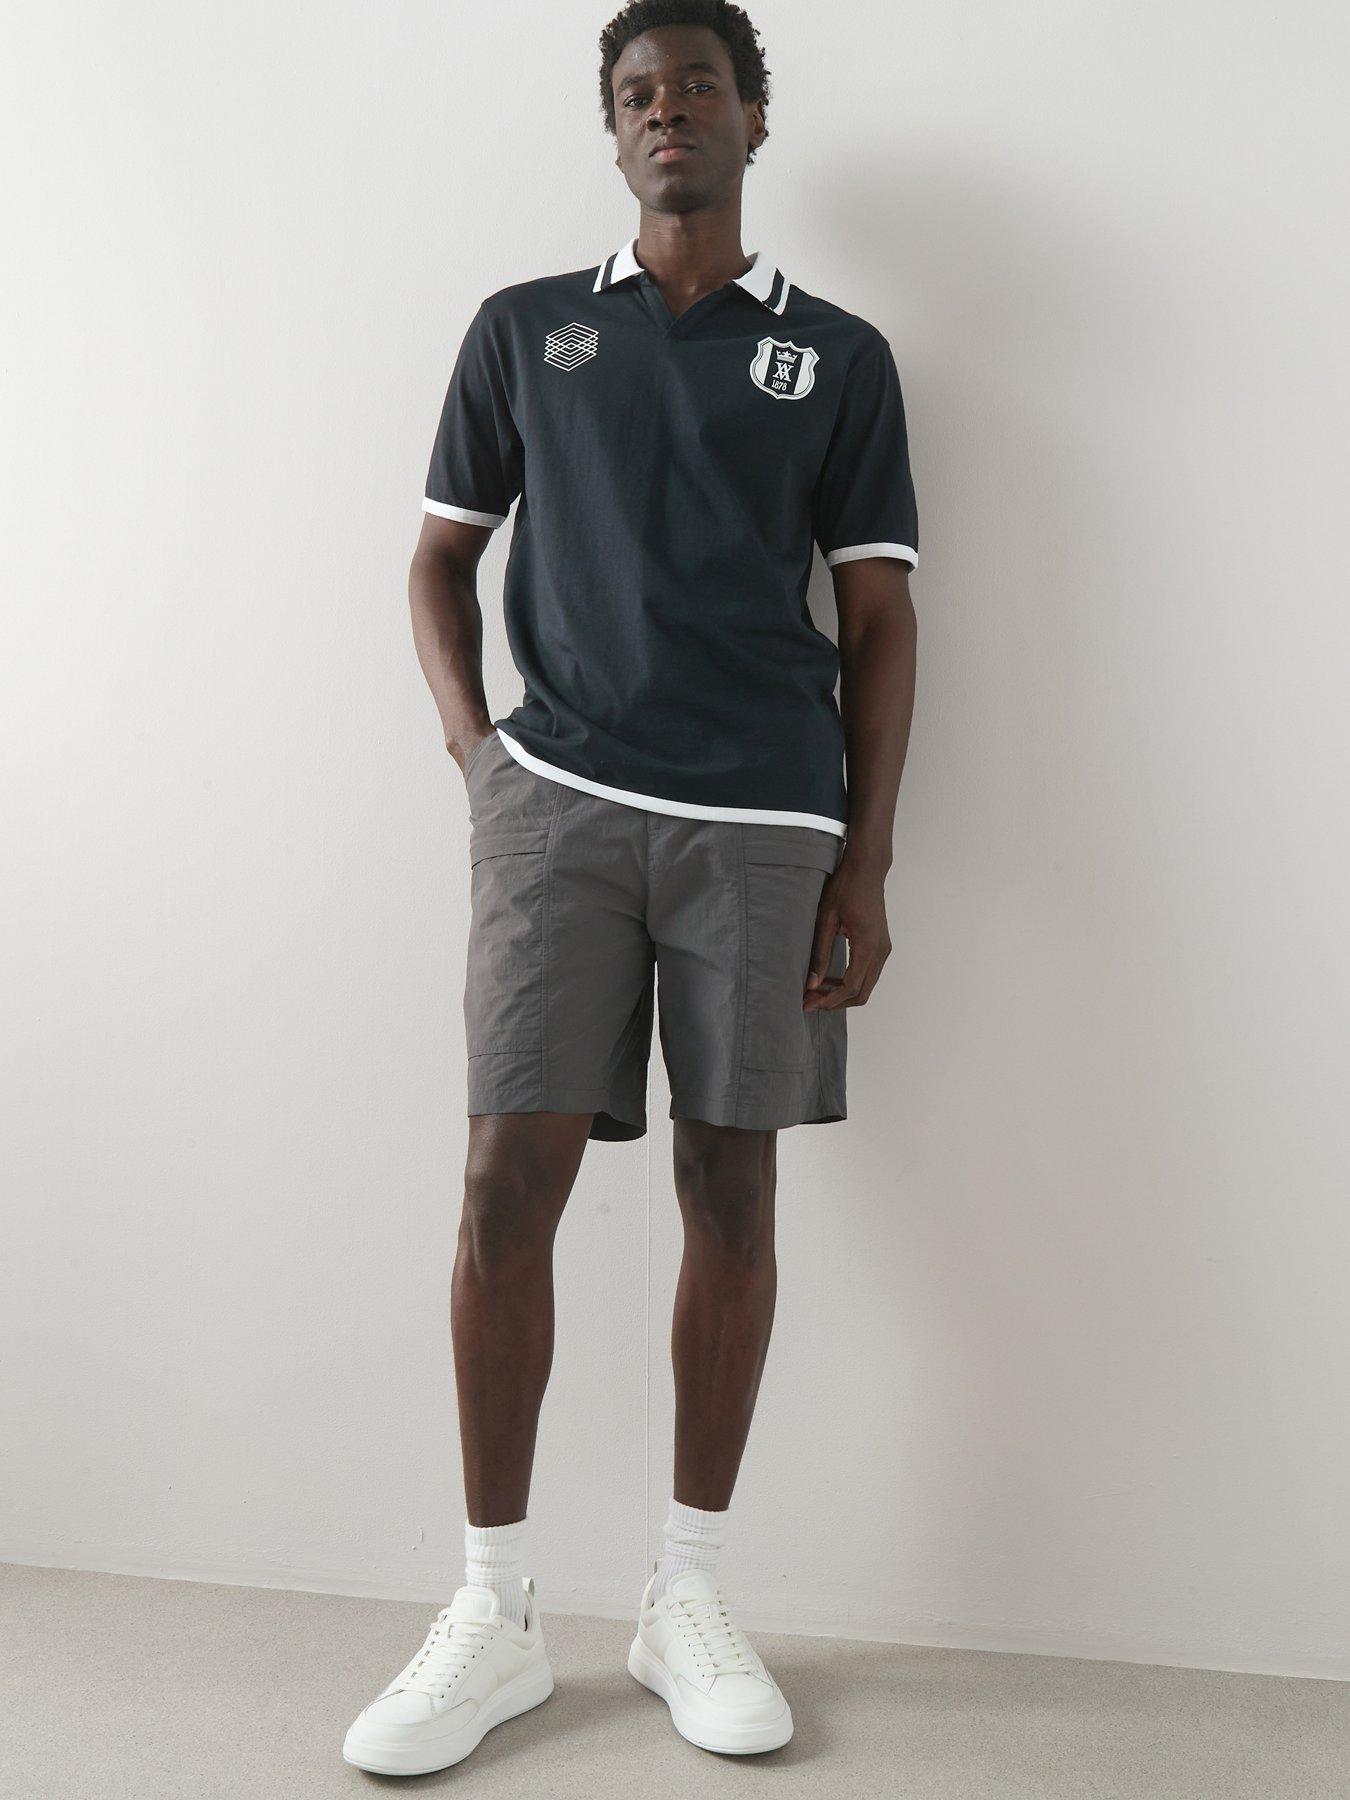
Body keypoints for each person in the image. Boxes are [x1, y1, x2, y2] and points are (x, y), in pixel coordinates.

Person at [343, 0, 919, 1775]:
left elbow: (879, 614)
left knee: (727, 1185)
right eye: (637, 94)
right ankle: (493, 1611)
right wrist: (481, 760)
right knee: (500, 1182)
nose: (668, 112)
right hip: (559, 806)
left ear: (754, 117)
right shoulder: (528, 331)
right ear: (613, 134)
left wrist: (865, 859)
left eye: (696, 87)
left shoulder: (836, 356)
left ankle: (686, 1595)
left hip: (762, 825)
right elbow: (437, 560)